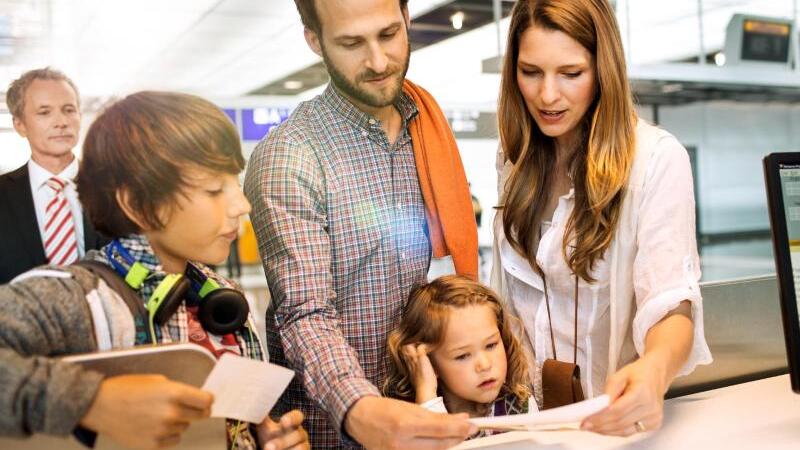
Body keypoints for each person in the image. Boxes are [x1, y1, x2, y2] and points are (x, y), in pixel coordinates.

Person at [0, 91, 309, 450]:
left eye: (234, 185)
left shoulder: (221, 297)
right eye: (213, 190)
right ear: (138, 205)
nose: (242, 205)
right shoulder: (79, 298)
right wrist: (93, 401)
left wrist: (259, 439)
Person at [243, 0, 479, 447]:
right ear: (314, 40)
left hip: (428, 409)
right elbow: (305, 313)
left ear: (407, 19)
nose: (377, 61)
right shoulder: (290, 156)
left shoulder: (426, 129)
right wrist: (360, 407)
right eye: (351, 43)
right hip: (333, 431)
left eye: (388, 34)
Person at [492, 0, 712, 437]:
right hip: (528, 426)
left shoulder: (654, 159)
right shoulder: (512, 158)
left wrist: (653, 369)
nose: (547, 95)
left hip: (615, 425)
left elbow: (671, 302)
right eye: (530, 72)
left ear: (602, 70)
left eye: (571, 74)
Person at [383, 275, 531, 438]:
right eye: (462, 356)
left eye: (491, 345)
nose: (485, 364)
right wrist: (427, 396)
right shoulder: (406, 418)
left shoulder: (520, 403)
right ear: (429, 363)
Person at [0, 67, 106, 284]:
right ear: (19, 125)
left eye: (69, 110)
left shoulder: (114, 187)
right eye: (44, 112)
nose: (61, 122)